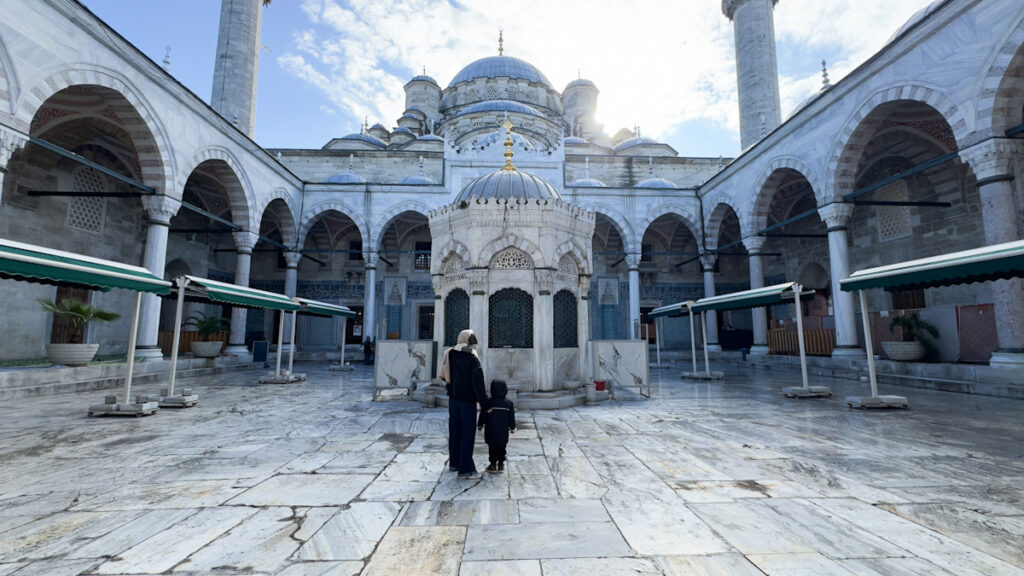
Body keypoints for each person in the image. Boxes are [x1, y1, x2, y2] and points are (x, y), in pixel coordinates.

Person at [445, 329, 487, 479]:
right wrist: (485, 404)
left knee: (455, 432)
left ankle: (454, 463)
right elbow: (478, 385)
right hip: (467, 402)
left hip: (453, 400)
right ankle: (466, 470)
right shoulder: (472, 359)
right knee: (467, 434)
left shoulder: (451, 353)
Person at [478, 379, 516, 473]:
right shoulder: (509, 404)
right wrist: (512, 427)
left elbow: (483, 414)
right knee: (502, 447)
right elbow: (511, 417)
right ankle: (501, 464)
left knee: (492, 448)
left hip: (491, 431)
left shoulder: (488, 403)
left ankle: (493, 464)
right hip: (503, 432)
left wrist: (480, 424)